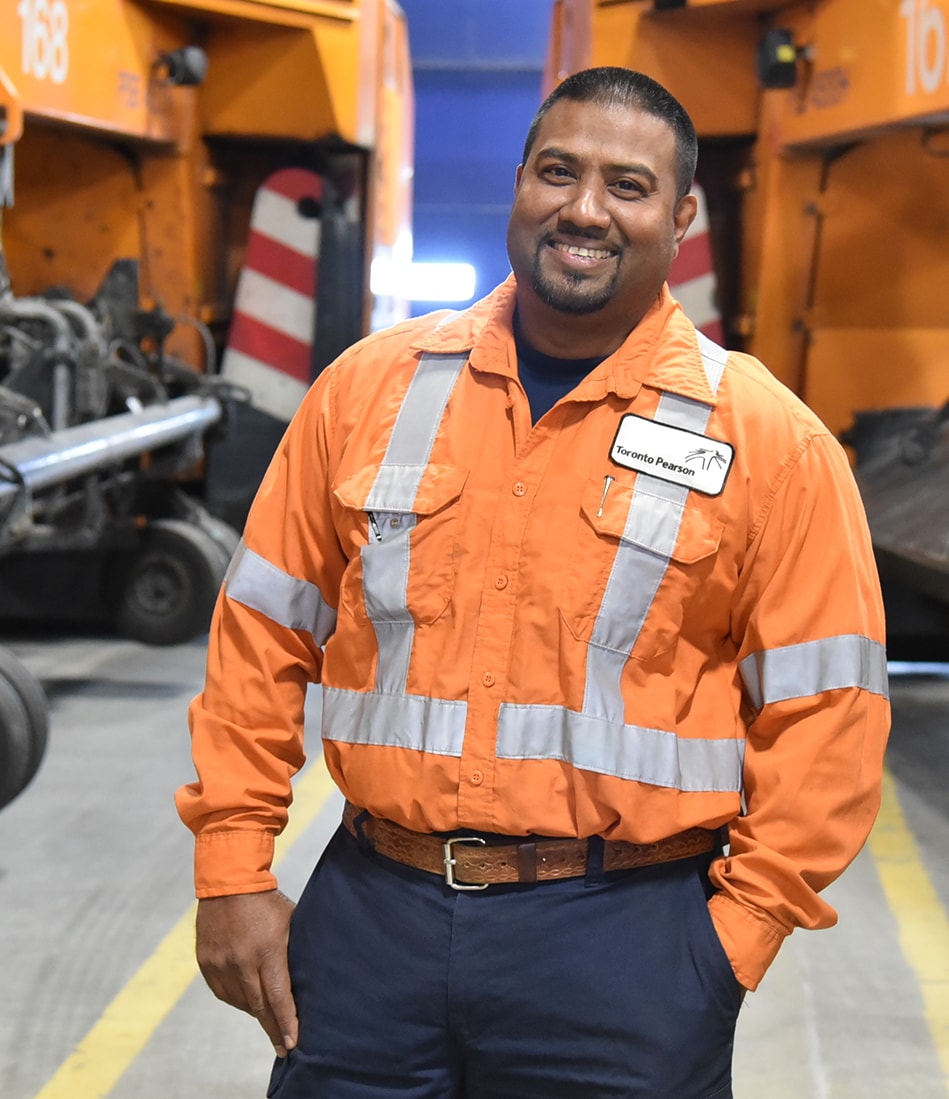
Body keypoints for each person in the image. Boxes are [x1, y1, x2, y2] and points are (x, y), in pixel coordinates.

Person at [176, 66, 891, 1098]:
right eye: (558, 172)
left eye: (627, 185)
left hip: (624, 944)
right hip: (375, 913)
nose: (584, 209)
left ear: (681, 216)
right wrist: (232, 867)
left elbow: (829, 710)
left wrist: (732, 940)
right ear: (519, 183)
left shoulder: (770, 442)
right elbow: (259, 636)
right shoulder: (368, 389)